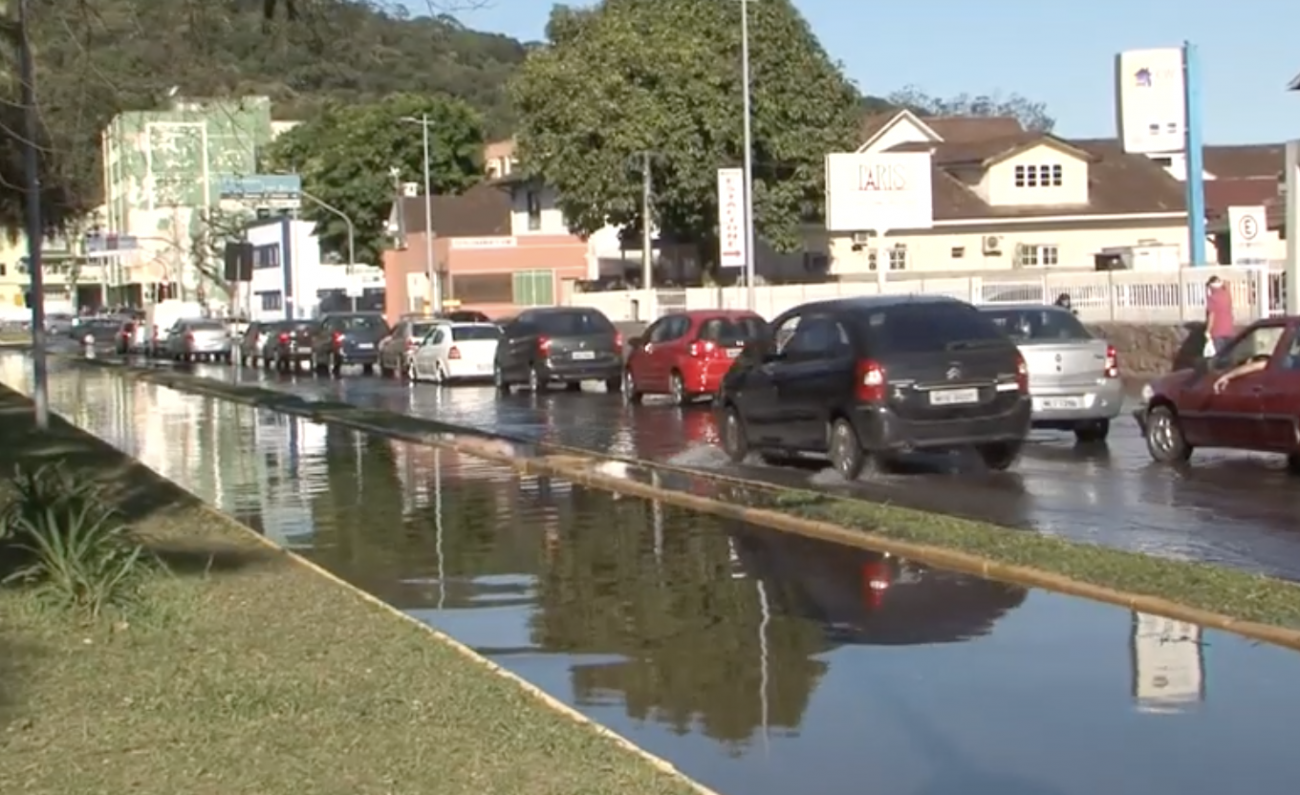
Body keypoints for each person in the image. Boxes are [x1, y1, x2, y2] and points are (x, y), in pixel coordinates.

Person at [1205, 275, 1235, 356]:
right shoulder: (1227, 295)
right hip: (1229, 330)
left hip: (1217, 332)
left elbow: (1212, 316)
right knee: (1229, 355)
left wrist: (1208, 331)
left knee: (1219, 357)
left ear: (1211, 286)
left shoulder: (1212, 298)